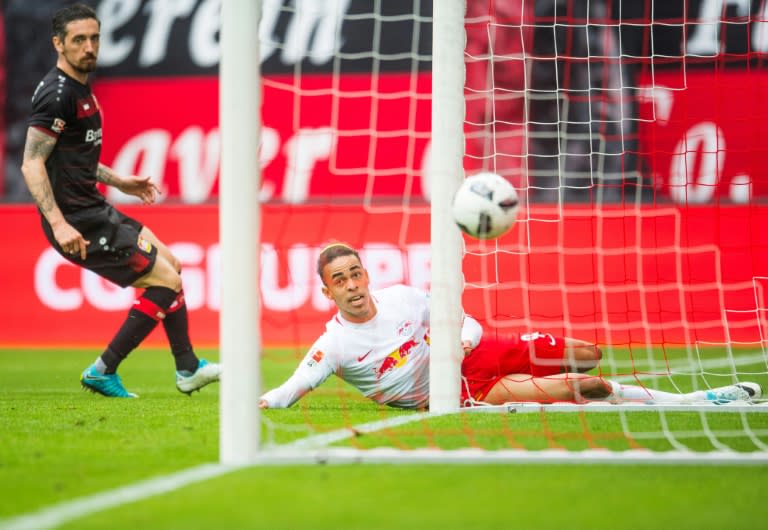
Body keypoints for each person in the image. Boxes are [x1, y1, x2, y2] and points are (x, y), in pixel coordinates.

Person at [259, 243, 762, 409]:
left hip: (481, 352)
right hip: (460, 388)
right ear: (327, 292)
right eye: (338, 281)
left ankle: (685, 397)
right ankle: (697, 400)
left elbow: (464, 320)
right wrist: (260, 399)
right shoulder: (336, 345)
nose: (351, 285)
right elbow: (292, 388)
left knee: (588, 353)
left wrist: (464, 339)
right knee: (585, 385)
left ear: (366, 275)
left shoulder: (404, 298)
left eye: (355, 274)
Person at [20, 4, 220, 398]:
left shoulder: (79, 89)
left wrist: (120, 181)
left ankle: (187, 368)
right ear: (58, 44)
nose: (89, 47)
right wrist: (60, 225)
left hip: (95, 208)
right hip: (79, 220)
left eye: (94, 38)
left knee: (173, 267)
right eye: (79, 40)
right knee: (167, 281)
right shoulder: (57, 95)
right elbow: (32, 163)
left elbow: (73, 157)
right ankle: (103, 370)